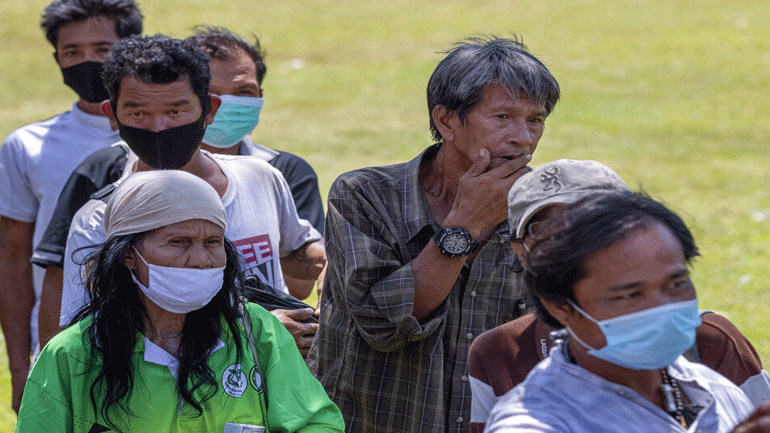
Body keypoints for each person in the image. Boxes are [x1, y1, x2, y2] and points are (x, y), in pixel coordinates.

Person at [307, 35, 560, 432]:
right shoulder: (366, 195)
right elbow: (385, 326)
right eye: (503, 118)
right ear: (446, 121)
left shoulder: (541, 213)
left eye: (535, 120)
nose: (523, 138)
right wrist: (465, 224)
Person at [33, 26, 324, 353]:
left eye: (175, 111)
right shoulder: (100, 218)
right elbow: (92, 334)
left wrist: (330, 266)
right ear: (112, 116)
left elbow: (301, 254)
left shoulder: (260, 177)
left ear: (210, 111)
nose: (158, 127)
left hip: (273, 392)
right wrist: (254, 330)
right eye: (138, 112)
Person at [15, 170, 344, 432]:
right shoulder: (73, 355)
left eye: (212, 242)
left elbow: (316, 422)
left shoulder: (257, 331)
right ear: (129, 254)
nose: (201, 259)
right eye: (178, 242)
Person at [468, 159, 770, 432]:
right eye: (630, 295)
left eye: (676, 284)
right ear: (560, 305)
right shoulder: (535, 421)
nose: (661, 307)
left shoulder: (713, 390)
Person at [0, 0, 142, 413]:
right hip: (66, 342)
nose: (88, 62)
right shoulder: (27, 147)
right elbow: (13, 259)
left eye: (102, 49)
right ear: (56, 59)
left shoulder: (173, 130)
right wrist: (21, 367)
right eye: (72, 53)